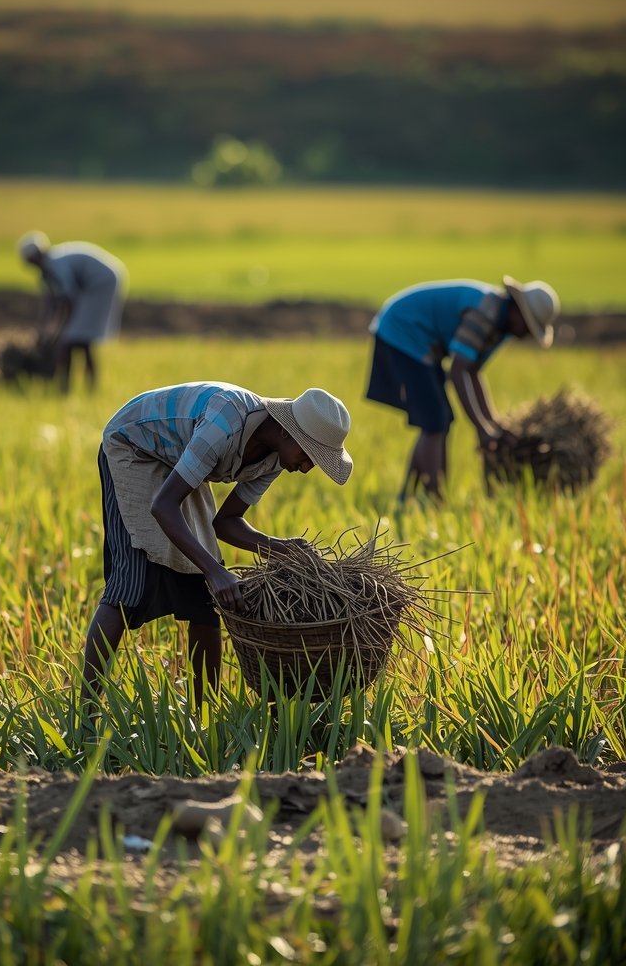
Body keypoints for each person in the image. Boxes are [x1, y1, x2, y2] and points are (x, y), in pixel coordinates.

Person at [81, 381, 353, 708]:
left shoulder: (276, 459)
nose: (307, 468)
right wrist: (214, 571)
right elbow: (164, 506)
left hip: (177, 455)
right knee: (131, 585)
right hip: (133, 446)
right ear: (286, 432)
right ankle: (86, 715)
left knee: (207, 601)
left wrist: (282, 548)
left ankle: (203, 716)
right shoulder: (225, 422)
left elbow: (226, 522)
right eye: (308, 455)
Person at [366, 274, 560, 502]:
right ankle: (435, 500)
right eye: (527, 326)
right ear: (517, 311)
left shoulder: (500, 327)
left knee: (438, 419)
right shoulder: (485, 315)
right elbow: (458, 371)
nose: (525, 335)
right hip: (403, 331)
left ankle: (407, 497)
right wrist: (481, 427)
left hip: (423, 342)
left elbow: (473, 372)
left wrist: (492, 423)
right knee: (435, 420)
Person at [17, 231, 127, 393]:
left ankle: (76, 389)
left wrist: (59, 330)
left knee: (78, 339)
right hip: (90, 286)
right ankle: (70, 388)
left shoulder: (56, 265)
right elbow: (51, 303)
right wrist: (45, 331)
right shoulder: (48, 271)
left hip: (100, 284)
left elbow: (68, 300)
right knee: (74, 340)